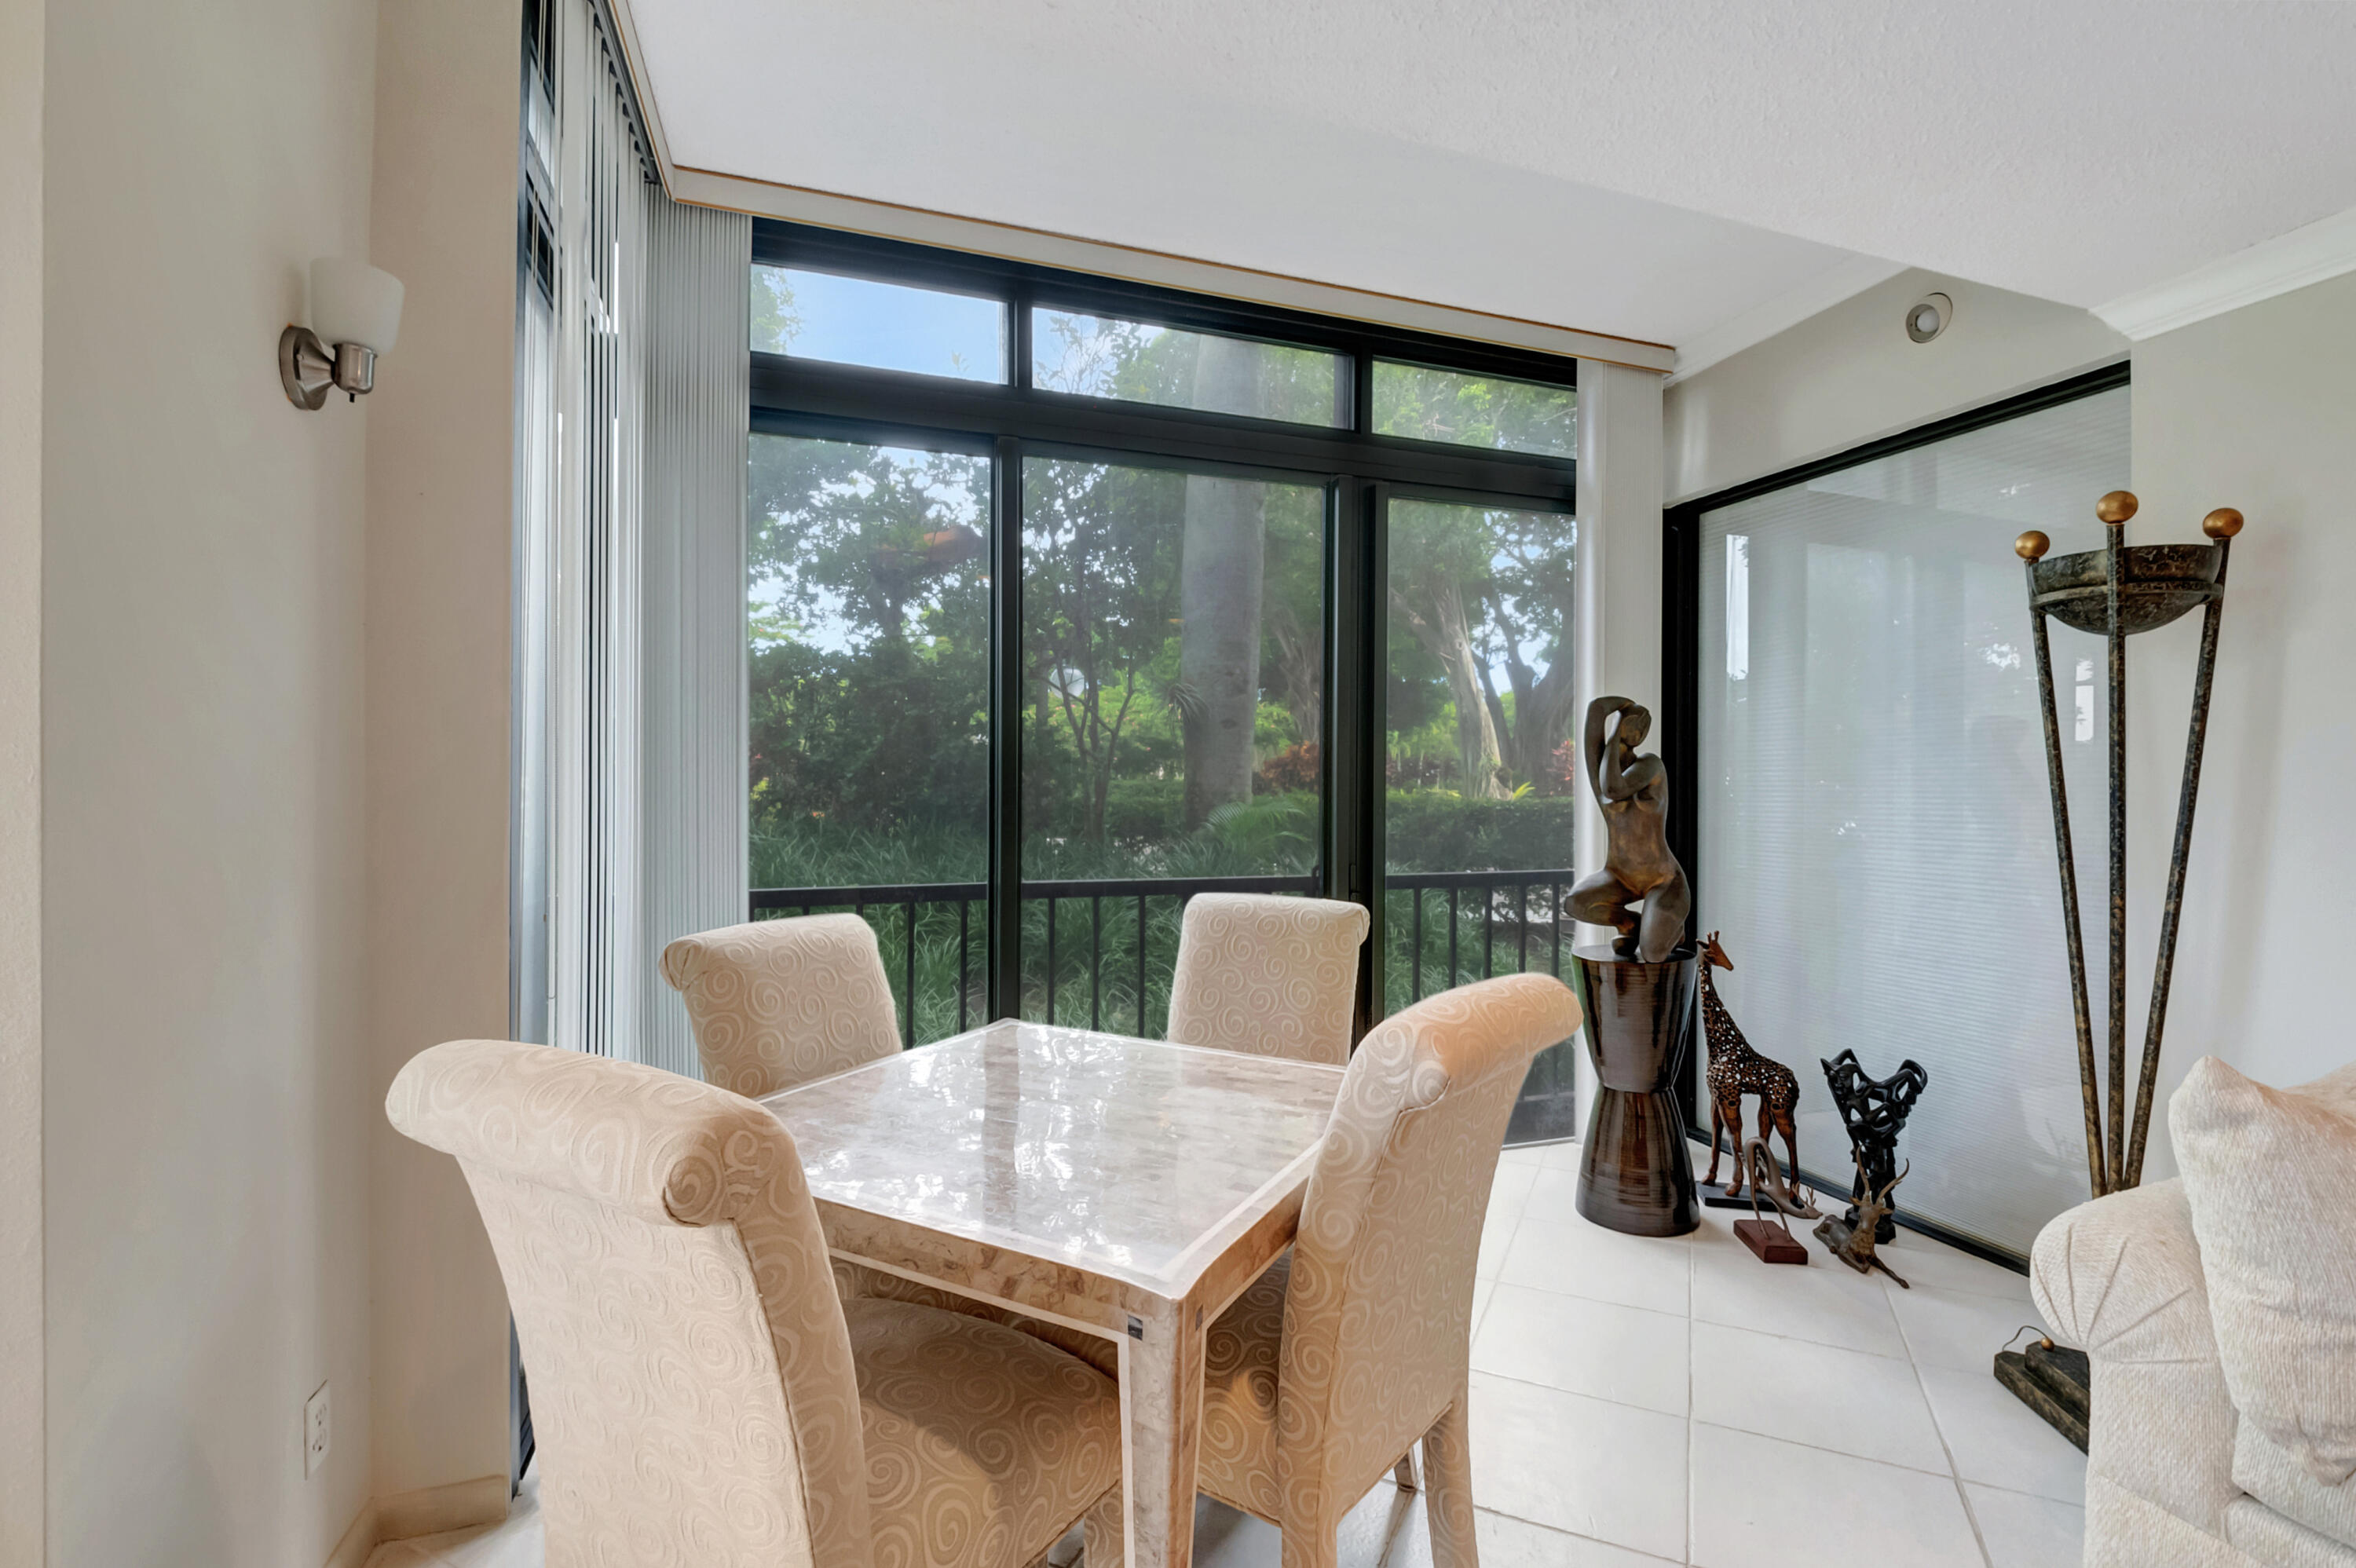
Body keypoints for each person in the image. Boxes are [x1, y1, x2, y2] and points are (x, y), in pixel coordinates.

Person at [1564, 696, 1690, 962]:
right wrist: (1622, 709)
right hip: (1620, 877)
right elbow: (1596, 710)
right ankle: (1631, 925)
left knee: (1653, 953)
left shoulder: (1650, 765)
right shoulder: (1603, 777)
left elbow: (1614, 788)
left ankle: (1672, 931)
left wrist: (1617, 733)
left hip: (1663, 880)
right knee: (1576, 903)